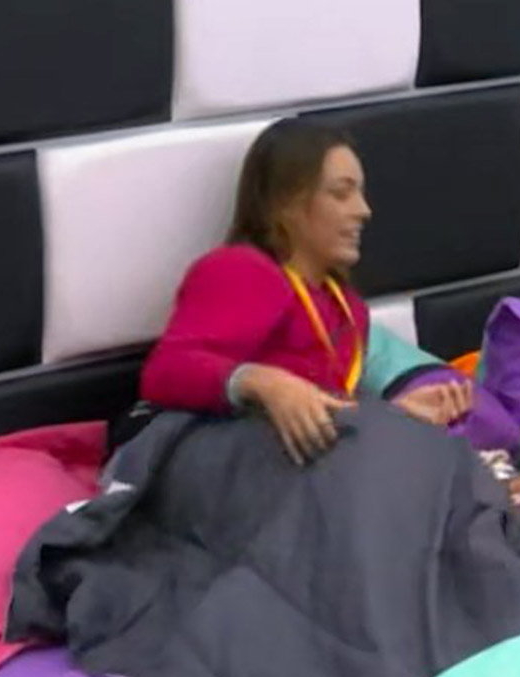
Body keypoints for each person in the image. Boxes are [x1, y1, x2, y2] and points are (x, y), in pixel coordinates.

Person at [140, 120, 472, 465]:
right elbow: (165, 372)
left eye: (360, 193)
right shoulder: (246, 270)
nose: (363, 210)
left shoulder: (347, 307)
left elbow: (319, 420)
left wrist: (392, 416)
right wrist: (263, 383)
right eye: (341, 193)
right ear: (286, 203)